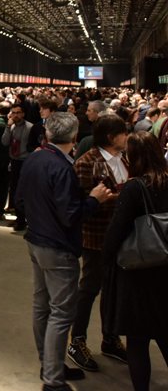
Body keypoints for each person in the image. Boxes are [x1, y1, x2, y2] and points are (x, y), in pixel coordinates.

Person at [16, 112, 114, 391]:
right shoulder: (62, 168)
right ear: (74, 137)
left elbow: (19, 200)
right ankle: (53, 380)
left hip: (35, 241)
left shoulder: (34, 158)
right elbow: (71, 215)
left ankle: (50, 365)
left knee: (42, 307)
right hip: (57, 248)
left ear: (47, 133)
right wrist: (94, 200)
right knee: (60, 313)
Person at [102, 132, 168, 391]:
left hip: (138, 270)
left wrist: (107, 259)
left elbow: (116, 231)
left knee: (138, 340)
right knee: (164, 332)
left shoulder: (135, 188)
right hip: (165, 270)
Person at [68, 114, 129, 372]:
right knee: (89, 289)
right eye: (123, 133)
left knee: (113, 290)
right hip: (96, 238)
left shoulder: (124, 158)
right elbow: (80, 204)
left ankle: (110, 338)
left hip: (122, 238)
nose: (127, 137)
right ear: (111, 137)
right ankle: (77, 340)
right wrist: (114, 198)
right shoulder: (87, 163)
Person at [2, 104, 34, 230]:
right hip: (14, 161)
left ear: (23, 114)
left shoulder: (30, 127)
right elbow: (4, 142)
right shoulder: (11, 126)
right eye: (13, 112)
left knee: (24, 191)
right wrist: (8, 127)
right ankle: (19, 218)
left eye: (18, 112)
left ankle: (24, 219)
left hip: (26, 161)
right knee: (15, 190)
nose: (15, 115)